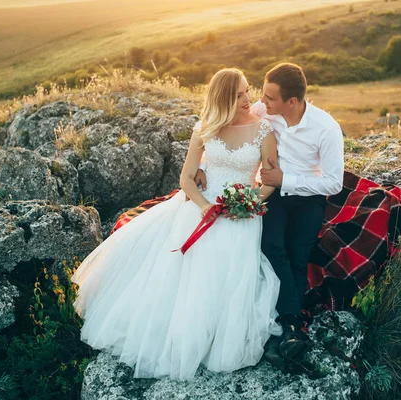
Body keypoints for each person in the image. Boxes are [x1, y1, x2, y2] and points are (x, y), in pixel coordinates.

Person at [71, 68, 282, 380]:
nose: (247, 99)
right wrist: (204, 205)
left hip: (241, 211)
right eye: (238, 95)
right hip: (202, 206)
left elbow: (269, 181)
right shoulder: (205, 128)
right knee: (183, 262)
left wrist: (248, 203)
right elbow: (186, 178)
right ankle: (174, 334)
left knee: (226, 263)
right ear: (223, 98)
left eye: (247, 91)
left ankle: (213, 336)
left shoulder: (263, 131)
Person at [195, 63, 344, 366]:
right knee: (270, 248)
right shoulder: (265, 112)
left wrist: (286, 181)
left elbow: (334, 182)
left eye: (269, 98)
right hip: (273, 196)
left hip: (307, 198)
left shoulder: (326, 128)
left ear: (292, 102)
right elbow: (227, 124)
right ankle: (271, 320)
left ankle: (290, 325)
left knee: (299, 255)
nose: (260, 102)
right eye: (260, 95)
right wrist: (203, 164)